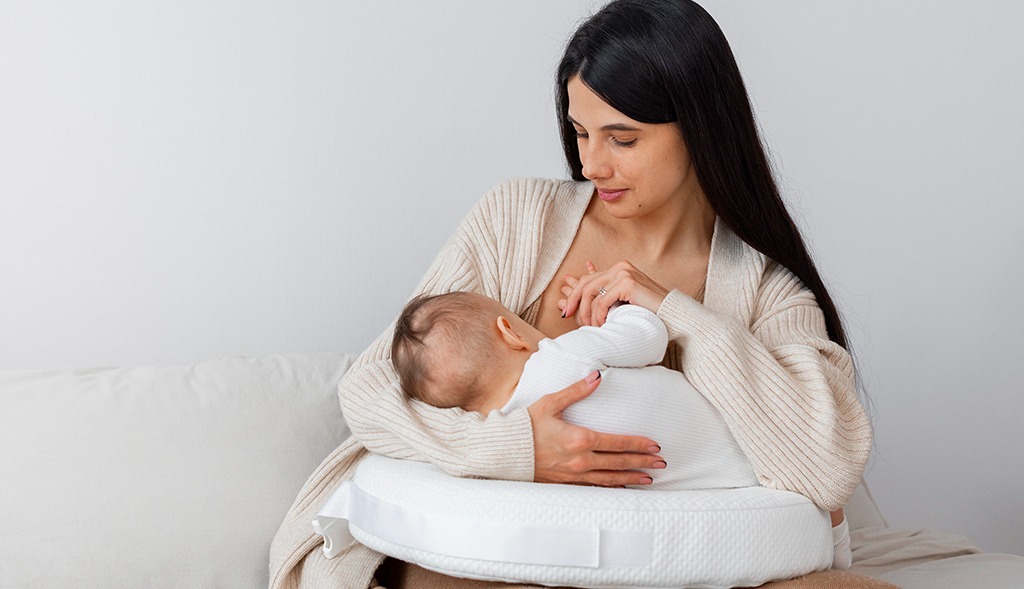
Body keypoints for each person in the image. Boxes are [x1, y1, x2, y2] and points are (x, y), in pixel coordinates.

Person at [269, 1, 873, 587]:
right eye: (580, 133)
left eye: (622, 139)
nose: (590, 165)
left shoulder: (765, 289)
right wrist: (517, 448)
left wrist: (672, 311)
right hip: (489, 552)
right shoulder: (517, 222)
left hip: (664, 564)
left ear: (700, 128)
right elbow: (371, 386)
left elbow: (827, 467)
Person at [390, 290, 760, 491]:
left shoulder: (511, 437)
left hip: (705, 486)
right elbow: (650, 336)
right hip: (748, 440)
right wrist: (613, 309)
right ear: (510, 332)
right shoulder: (563, 356)